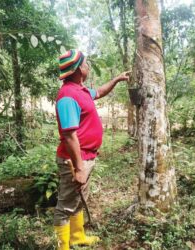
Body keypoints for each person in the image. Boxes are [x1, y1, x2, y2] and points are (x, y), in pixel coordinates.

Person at [53, 49, 130, 250]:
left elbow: (101, 91)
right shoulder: (68, 96)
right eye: (86, 63)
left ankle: (77, 237)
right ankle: (62, 247)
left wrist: (117, 79)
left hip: (86, 157)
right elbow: (69, 136)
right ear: (79, 69)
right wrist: (79, 168)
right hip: (74, 161)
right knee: (65, 206)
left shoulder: (81, 90)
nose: (88, 66)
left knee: (79, 198)